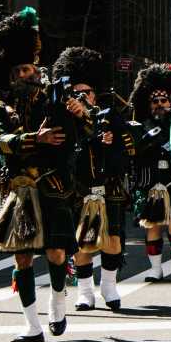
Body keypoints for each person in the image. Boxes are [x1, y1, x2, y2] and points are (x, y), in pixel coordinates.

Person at [0, 8, 89, 342]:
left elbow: (89, 129)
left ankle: (58, 304)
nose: (26, 75)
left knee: (57, 253)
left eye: (29, 68)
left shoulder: (58, 99)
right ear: (10, 75)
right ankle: (32, 325)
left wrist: (81, 111)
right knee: (23, 257)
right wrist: (33, 139)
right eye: (19, 71)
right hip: (19, 189)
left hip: (54, 186)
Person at [54, 46, 130, 312]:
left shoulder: (110, 116)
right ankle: (85, 291)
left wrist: (111, 143)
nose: (82, 96)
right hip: (78, 187)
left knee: (113, 239)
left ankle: (109, 286)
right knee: (82, 241)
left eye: (86, 92)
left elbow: (128, 150)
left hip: (108, 185)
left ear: (95, 94)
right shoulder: (64, 119)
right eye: (77, 93)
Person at [130, 64, 171, 281]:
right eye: (155, 101)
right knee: (154, 225)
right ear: (149, 105)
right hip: (151, 181)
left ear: (170, 102)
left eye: (164, 101)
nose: (160, 105)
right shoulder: (140, 125)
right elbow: (134, 151)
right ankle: (155, 269)